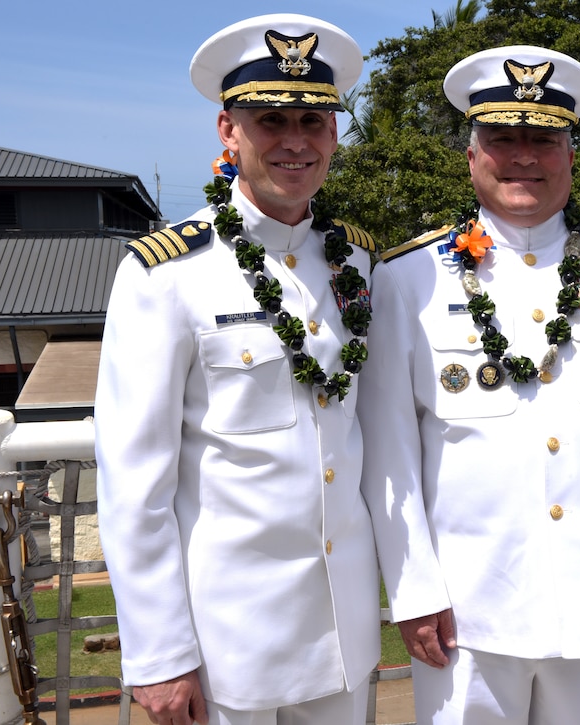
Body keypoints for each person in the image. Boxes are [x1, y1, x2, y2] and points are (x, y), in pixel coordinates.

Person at [358, 45, 580, 724]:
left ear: (571, 156)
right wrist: (414, 588)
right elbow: (390, 453)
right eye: (502, 138)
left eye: (543, 139)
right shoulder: (407, 279)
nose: (523, 156)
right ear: (472, 156)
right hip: (464, 613)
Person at [95, 14, 380, 725]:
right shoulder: (166, 273)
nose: (295, 141)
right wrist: (159, 655)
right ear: (228, 130)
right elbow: (135, 480)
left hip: (343, 639)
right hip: (226, 650)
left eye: (313, 121)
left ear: (334, 135)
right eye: (269, 120)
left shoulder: (358, 262)